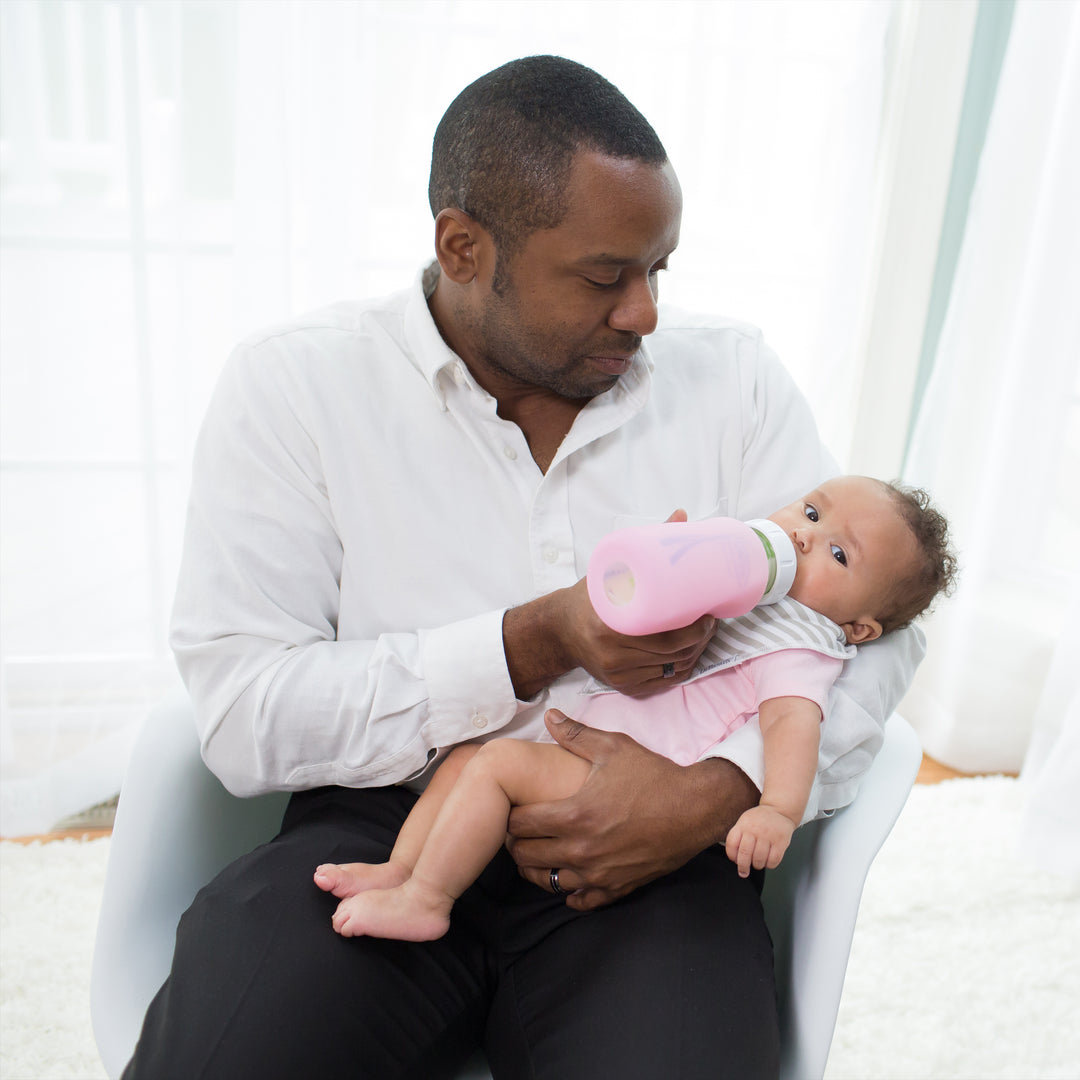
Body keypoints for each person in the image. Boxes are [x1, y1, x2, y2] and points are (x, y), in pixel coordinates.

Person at [125, 56, 926, 1080]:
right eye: (604, 276)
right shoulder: (296, 389)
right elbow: (243, 710)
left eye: (658, 269)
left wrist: (722, 791)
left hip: (654, 841)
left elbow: (878, 633)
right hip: (390, 823)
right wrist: (533, 639)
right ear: (464, 248)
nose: (643, 312)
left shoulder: (731, 380)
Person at [315, 476, 955, 940]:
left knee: (495, 766)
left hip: (634, 776)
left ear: (862, 628)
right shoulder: (748, 596)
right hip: (588, 740)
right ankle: (399, 870)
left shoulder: (801, 645)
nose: (804, 538)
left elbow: (794, 724)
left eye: (839, 555)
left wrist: (778, 809)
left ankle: (427, 901)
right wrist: (677, 559)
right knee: (466, 759)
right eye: (811, 511)